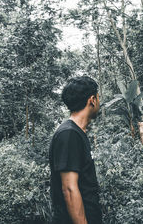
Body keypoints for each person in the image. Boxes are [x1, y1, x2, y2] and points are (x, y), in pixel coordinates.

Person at [49, 76, 103, 224]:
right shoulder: (69, 134)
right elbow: (69, 189)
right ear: (92, 100)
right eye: (99, 97)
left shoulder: (76, 133)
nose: (100, 102)